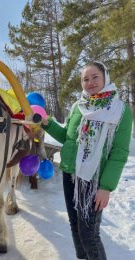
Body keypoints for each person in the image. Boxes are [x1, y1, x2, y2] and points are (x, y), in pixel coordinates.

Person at [41, 61, 133, 260]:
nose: (90, 83)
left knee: (89, 234)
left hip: (94, 179)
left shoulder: (120, 110)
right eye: (85, 79)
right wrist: (47, 124)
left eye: (94, 77)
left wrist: (105, 187)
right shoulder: (79, 106)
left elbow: (119, 153)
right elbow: (68, 137)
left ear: (105, 77)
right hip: (70, 174)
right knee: (75, 226)